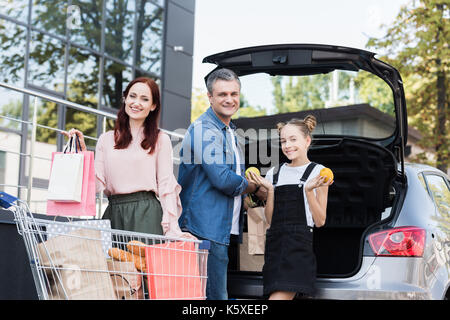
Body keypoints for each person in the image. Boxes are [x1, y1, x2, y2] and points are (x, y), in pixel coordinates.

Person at [63, 77, 193, 239]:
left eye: (144, 99)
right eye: (132, 96)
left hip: (146, 216)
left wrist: (173, 229)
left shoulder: (161, 139)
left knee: (143, 264)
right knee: (110, 264)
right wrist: (82, 154)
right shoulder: (106, 139)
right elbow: (95, 185)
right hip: (113, 214)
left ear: (153, 106)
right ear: (125, 99)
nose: (136, 102)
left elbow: (166, 185)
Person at [177, 68, 263, 300]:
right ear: (210, 97)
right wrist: (255, 186)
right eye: (222, 94)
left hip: (221, 228)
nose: (229, 99)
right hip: (205, 228)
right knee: (215, 298)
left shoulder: (228, 130)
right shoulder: (205, 129)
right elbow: (223, 179)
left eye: (234, 94)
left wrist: (247, 196)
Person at [247, 115, 333, 300]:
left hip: (298, 249)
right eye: (283, 141)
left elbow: (320, 221)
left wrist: (309, 191)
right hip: (275, 250)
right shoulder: (274, 173)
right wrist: (270, 190)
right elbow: (270, 220)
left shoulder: (319, 173)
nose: (287, 145)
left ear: (307, 141)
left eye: (293, 139)